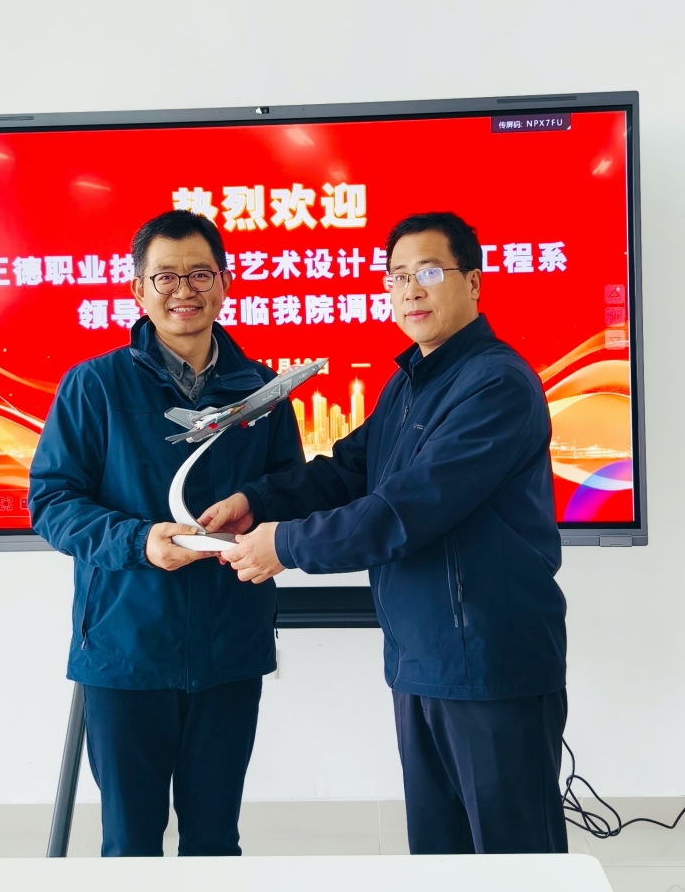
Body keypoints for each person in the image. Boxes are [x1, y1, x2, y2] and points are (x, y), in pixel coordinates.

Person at [200, 211, 568, 855]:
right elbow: (349, 470)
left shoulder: (497, 384)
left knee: (514, 863)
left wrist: (284, 545)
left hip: (489, 662)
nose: (410, 290)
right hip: (421, 659)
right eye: (397, 276)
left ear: (474, 282)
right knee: (439, 856)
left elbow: (406, 508)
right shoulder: (409, 382)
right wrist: (254, 503)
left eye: (429, 272)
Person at [28, 209, 304, 857]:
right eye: (166, 277)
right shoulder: (94, 386)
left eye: (200, 274)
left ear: (225, 283)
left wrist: (260, 514)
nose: (185, 290)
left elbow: (291, 493)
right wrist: (139, 541)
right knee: (130, 846)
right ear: (138, 289)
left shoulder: (263, 391)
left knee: (215, 843)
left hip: (229, 648)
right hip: (126, 650)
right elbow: (51, 501)